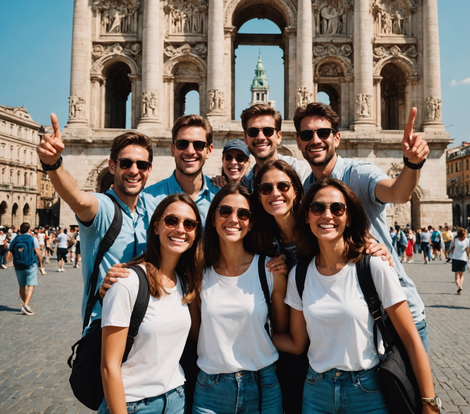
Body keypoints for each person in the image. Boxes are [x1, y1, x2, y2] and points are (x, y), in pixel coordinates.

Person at [273, 178, 439, 414]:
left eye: (337, 208)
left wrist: (430, 404)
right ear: (307, 216)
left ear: (349, 216)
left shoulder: (375, 267)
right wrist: (248, 333)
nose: (327, 215)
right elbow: (297, 343)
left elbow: (411, 340)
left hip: (368, 392)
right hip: (316, 393)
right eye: (318, 208)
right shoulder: (299, 275)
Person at [252, 159, 393, 413]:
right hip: (299, 346)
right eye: (265, 189)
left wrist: (376, 248)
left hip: (337, 344)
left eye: (283, 186)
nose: (275, 194)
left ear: (296, 190)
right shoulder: (260, 236)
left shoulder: (319, 219)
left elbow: (355, 242)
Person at [294, 102, 431, 351]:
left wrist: (411, 165)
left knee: (409, 390)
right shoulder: (306, 190)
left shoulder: (358, 173)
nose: (315, 140)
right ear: (299, 142)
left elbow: (397, 193)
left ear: (336, 137)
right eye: (307, 135)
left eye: (323, 133)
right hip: (350, 318)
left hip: (394, 314)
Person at [37, 114, 154, 330]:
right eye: (126, 163)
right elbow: (78, 198)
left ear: (149, 170)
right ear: (112, 166)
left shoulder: (151, 208)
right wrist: (53, 165)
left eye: (142, 165)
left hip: (147, 328)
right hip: (104, 327)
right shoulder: (103, 208)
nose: (134, 170)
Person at [100, 194, 203, 414]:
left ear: (195, 233)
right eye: (171, 221)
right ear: (156, 227)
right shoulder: (127, 281)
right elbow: (109, 367)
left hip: (176, 399)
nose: (180, 229)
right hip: (133, 403)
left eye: (189, 224)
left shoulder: (185, 283)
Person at [190, 183, 287, 414]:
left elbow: (280, 330)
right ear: (213, 218)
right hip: (210, 390)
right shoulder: (198, 274)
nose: (234, 219)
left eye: (243, 214)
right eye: (225, 211)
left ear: (251, 223)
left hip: (263, 385)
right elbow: (195, 334)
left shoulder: (270, 270)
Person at [141, 115, 221, 227]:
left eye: (199, 145)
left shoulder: (220, 197)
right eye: (182, 144)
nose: (190, 151)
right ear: (173, 150)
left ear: (209, 151)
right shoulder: (147, 200)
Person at [240, 103, 311, 191]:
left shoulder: (302, 172)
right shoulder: (244, 182)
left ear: (278, 137)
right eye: (253, 131)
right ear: (245, 138)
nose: (260, 137)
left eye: (268, 131)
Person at [9, 222, 44, 315]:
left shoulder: (16, 239)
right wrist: (41, 263)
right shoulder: (33, 239)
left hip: (18, 264)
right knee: (31, 285)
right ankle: (25, 306)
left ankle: (25, 304)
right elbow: (38, 251)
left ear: (20, 230)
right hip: (30, 264)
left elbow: (9, 249)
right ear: (29, 229)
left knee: (22, 285)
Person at [448, 227, 469, 294]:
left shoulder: (455, 240)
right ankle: (460, 285)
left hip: (455, 258)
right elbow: (467, 250)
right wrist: (469, 258)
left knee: (456, 276)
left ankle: (459, 286)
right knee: (461, 275)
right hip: (463, 259)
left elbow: (452, 249)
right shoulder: (466, 240)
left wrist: (450, 254)